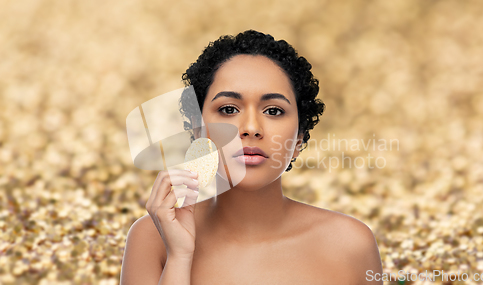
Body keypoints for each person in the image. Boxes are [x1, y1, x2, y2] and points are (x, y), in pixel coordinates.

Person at [120, 29, 383, 284]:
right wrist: (179, 257)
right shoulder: (153, 237)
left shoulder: (351, 244)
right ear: (197, 128)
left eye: (273, 111)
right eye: (229, 109)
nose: (252, 128)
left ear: (300, 137)